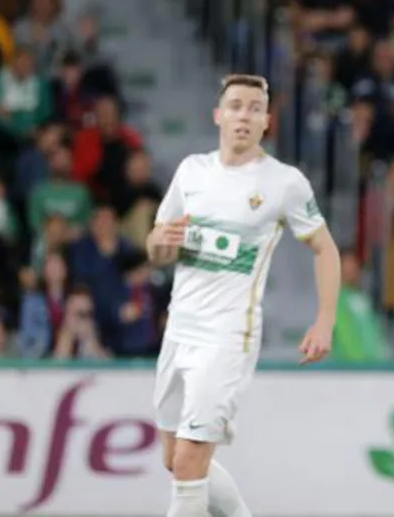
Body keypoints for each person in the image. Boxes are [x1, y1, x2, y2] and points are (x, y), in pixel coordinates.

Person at [146, 74, 342, 517]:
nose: (244, 115)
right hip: (180, 331)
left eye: (255, 108)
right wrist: (161, 243)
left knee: (192, 457)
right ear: (219, 115)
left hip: (228, 335)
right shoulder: (191, 171)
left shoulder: (283, 182)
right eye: (236, 105)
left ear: (266, 121)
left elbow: (324, 247)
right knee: (174, 457)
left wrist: (324, 319)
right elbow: (157, 246)